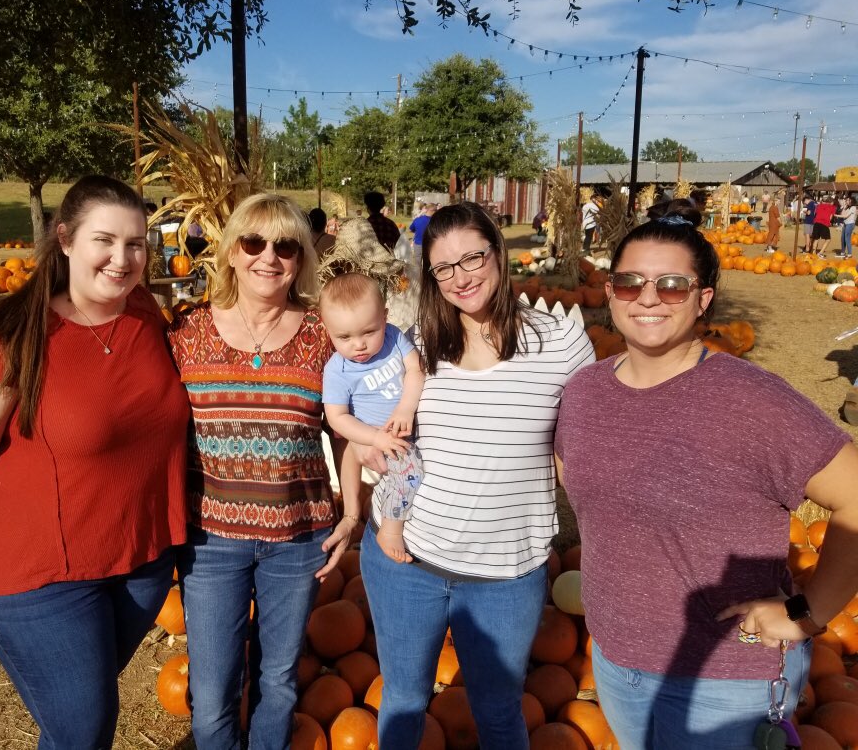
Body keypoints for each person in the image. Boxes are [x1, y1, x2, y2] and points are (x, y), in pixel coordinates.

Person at [555, 209, 858, 749]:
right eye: (630, 282)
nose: (648, 298)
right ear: (610, 291)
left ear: (704, 299)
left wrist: (809, 615)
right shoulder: (583, 393)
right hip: (615, 661)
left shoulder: (750, 401)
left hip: (724, 680)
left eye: (672, 286)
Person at [0, 175, 191, 749]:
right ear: (66, 239)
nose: (122, 260)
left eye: (136, 244)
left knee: (78, 723)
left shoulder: (144, 312)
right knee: (83, 727)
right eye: (105, 240)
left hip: (143, 560)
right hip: (40, 577)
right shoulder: (10, 340)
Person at [357, 201, 595, 748]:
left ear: (499, 253)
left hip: (505, 576)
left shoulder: (558, 341)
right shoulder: (415, 345)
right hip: (405, 561)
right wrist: (369, 452)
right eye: (444, 268)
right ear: (430, 276)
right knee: (404, 699)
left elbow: (590, 442)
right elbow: (375, 425)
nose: (461, 278)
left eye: (473, 258)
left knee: (497, 711)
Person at [166, 192, 358, 749]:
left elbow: (343, 431)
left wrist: (351, 514)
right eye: (253, 242)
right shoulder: (187, 332)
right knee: (211, 688)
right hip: (210, 541)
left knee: (277, 681)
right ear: (230, 252)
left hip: (298, 540)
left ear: (302, 258)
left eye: (286, 245)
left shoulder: (325, 337)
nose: (268, 257)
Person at [320, 272, 425, 563]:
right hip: (380, 437)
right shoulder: (337, 371)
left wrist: (406, 406)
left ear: (385, 317)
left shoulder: (393, 338)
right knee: (410, 470)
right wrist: (375, 436)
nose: (359, 345)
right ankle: (390, 529)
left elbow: (416, 370)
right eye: (344, 337)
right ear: (328, 330)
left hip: (406, 426)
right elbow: (337, 418)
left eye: (369, 332)